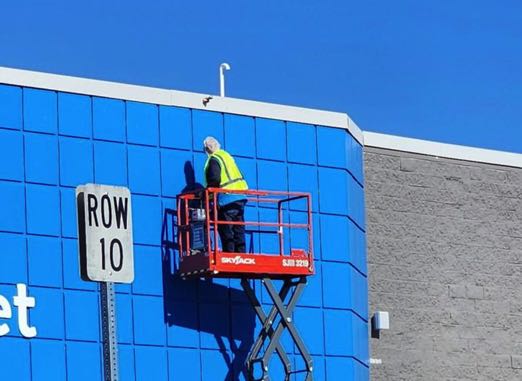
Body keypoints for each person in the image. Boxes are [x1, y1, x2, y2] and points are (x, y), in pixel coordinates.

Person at [203, 136, 248, 253]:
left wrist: (206, 194)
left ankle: (230, 255)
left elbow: (215, 180)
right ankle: (241, 255)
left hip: (227, 198)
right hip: (240, 196)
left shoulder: (214, 159)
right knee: (239, 229)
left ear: (207, 149)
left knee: (226, 229)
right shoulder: (227, 156)